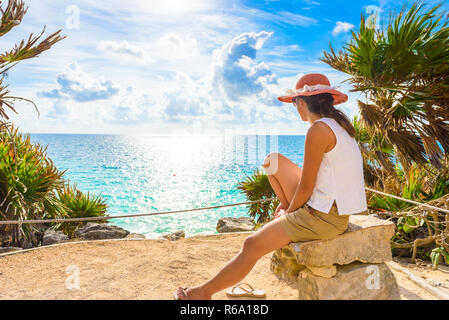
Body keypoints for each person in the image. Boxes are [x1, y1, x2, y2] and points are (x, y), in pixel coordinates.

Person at [174, 73, 368, 300]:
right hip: (329, 209)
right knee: (272, 160)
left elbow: (306, 187)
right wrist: (287, 207)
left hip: (324, 217)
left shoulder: (318, 130)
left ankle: (201, 294)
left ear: (301, 103)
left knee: (251, 244)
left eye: (295, 103)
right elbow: (312, 181)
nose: (295, 108)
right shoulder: (338, 126)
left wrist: (288, 213)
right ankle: (285, 216)